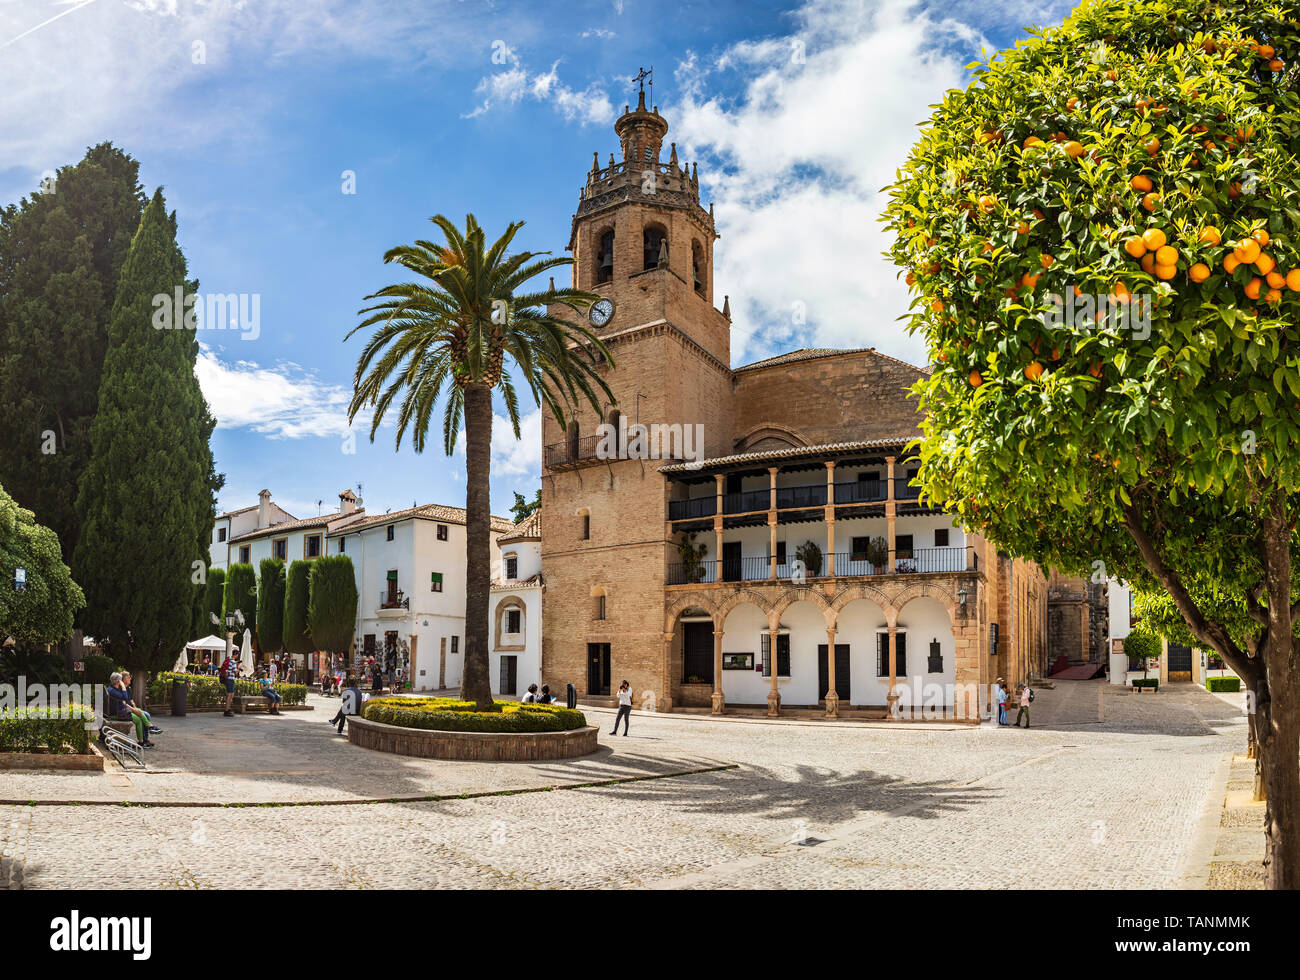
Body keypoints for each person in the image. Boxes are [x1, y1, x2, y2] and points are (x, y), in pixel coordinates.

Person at [106, 673, 155, 748]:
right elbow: (125, 698)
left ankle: (147, 732)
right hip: (118, 713)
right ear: (118, 681)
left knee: (140, 713)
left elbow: (126, 700)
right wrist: (123, 686)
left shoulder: (113, 688)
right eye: (120, 680)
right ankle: (143, 740)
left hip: (121, 711)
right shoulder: (112, 690)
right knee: (138, 719)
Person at [220, 651, 238, 716]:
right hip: (230, 679)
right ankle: (226, 710)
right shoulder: (233, 661)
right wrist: (238, 668)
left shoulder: (229, 660)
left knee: (230, 694)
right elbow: (235, 672)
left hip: (227, 679)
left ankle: (228, 708)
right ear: (236, 655)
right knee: (229, 695)